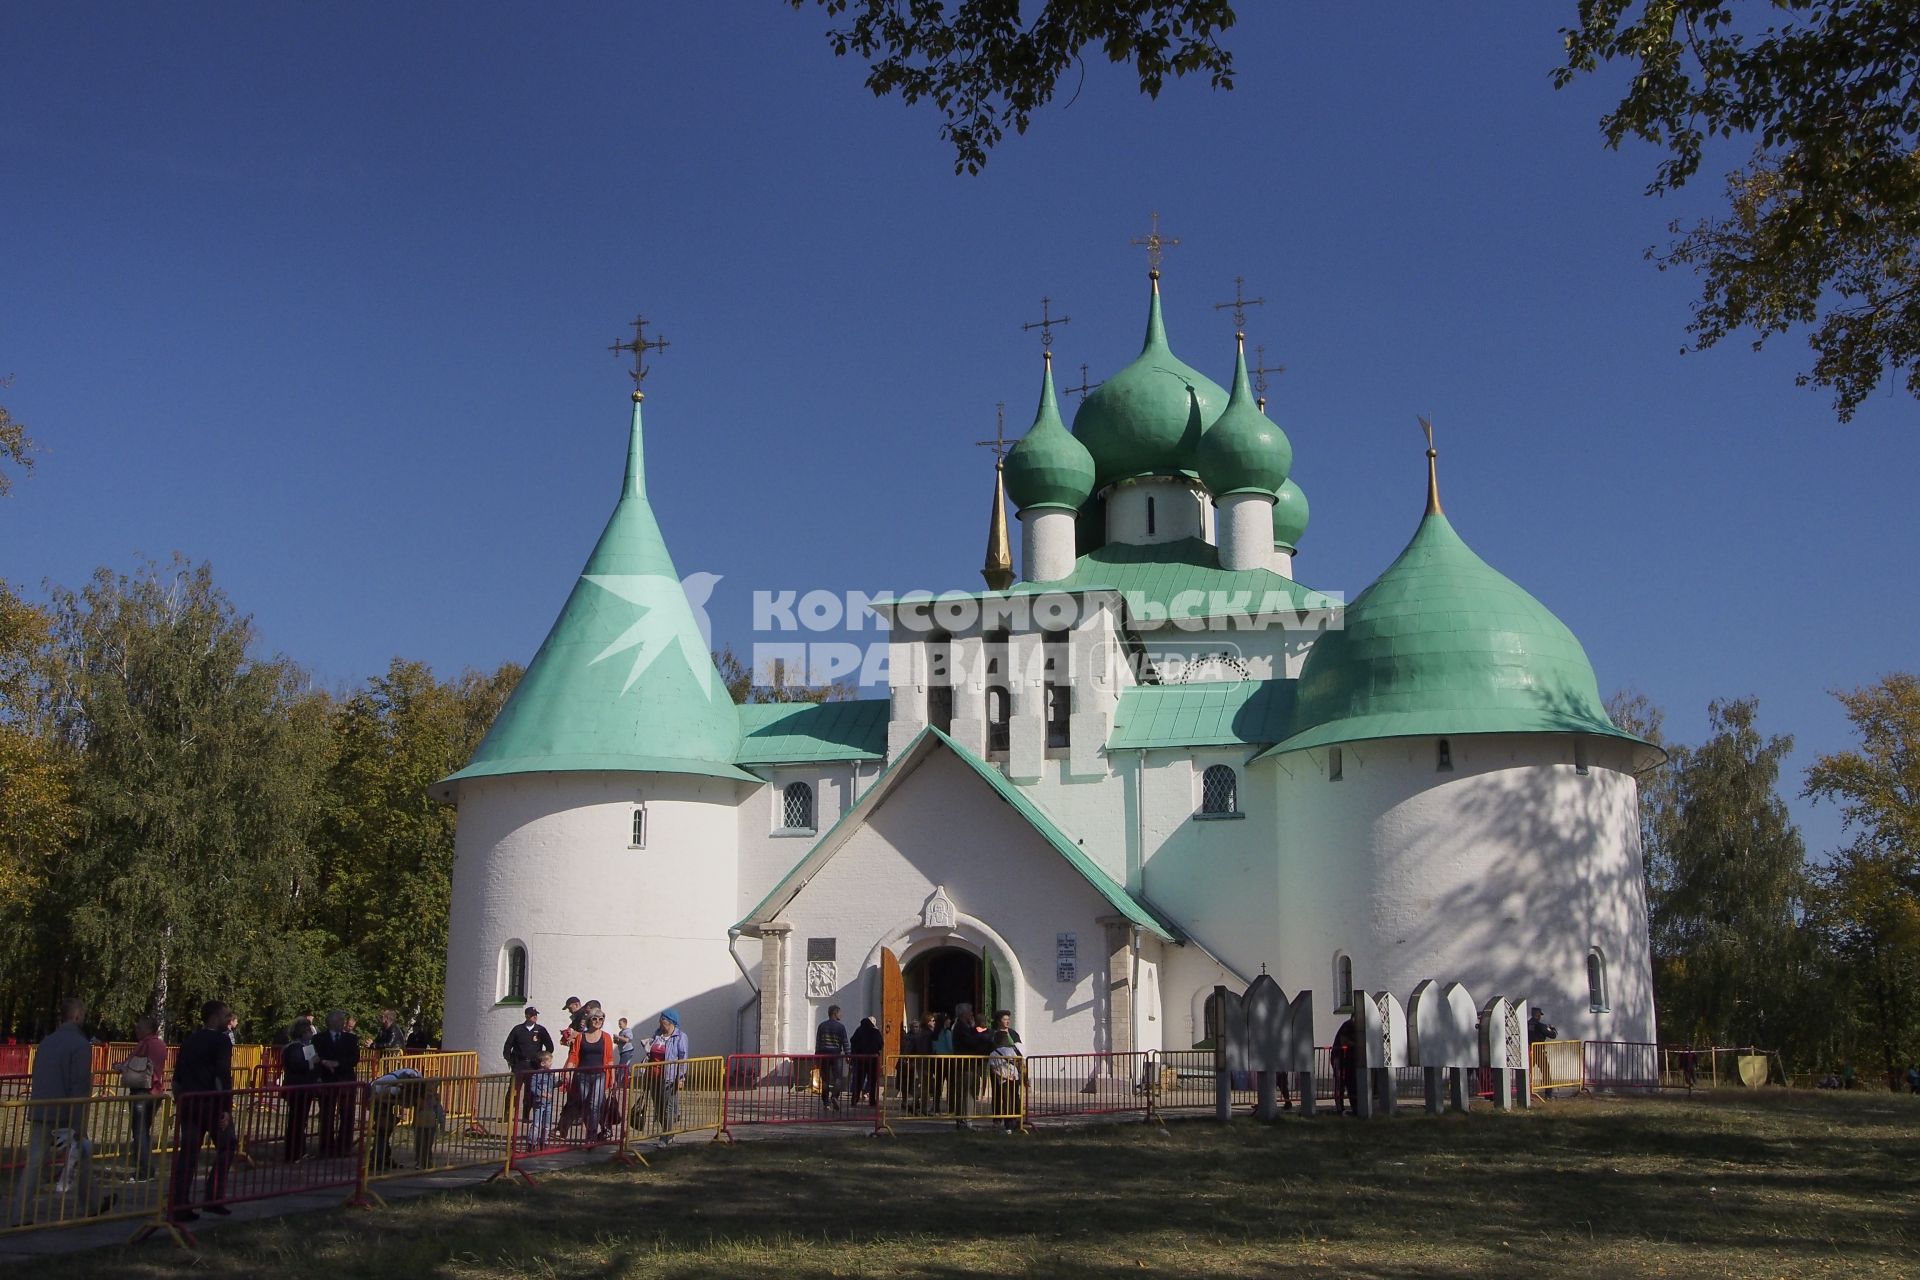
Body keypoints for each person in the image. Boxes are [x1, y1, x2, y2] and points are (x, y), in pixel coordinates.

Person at [9, 997, 110, 1226]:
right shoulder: (80, 1045)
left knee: (35, 1161)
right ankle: (91, 1204)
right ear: (76, 1016)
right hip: (66, 1111)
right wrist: (78, 1120)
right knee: (81, 1154)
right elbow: (79, 1084)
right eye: (82, 1015)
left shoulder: (47, 1041)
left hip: (40, 1108)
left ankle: (18, 1213)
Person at [169, 1000, 237, 1223]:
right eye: (225, 1016)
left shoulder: (190, 1039)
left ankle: (179, 1203)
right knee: (228, 1145)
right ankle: (213, 1197)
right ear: (214, 1018)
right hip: (212, 1104)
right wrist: (226, 1108)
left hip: (190, 1103)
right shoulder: (221, 1041)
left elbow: (178, 1075)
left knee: (188, 1154)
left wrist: (180, 1099)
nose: (228, 1020)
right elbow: (222, 1075)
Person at [117, 1014, 168, 1181]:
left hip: (142, 1092)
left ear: (147, 1029)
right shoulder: (161, 1044)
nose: (136, 1030)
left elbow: (131, 1065)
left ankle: (145, 1170)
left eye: (139, 1027)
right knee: (144, 1131)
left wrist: (120, 1067)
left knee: (139, 1133)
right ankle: (145, 1168)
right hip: (156, 1092)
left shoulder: (145, 1044)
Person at [563, 1010, 618, 1142]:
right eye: (595, 1019)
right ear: (589, 1020)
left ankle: (591, 1135)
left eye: (600, 1019)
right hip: (582, 1075)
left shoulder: (606, 1037)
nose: (598, 1021)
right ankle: (590, 1130)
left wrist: (613, 1077)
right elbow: (574, 1055)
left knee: (594, 1105)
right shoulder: (581, 1037)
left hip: (600, 1075)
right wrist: (567, 1071)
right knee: (585, 1104)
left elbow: (610, 1058)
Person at [313, 1009, 360, 1157]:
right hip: (327, 1080)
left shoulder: (351, 1039)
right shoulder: (319, 1039)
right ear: (332, 1022)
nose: (343, 1023)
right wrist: (324, 1064)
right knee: (327, 1114)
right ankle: (326, 1146)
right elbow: (314, 1057)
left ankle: (344, 1146)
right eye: (340, 1020)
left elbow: (354, 1058)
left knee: (347, 1114)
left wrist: (338, 1063)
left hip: (346, 1080)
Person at [502, 1006, 554, 1126]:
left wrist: (542, 1058)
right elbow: (507, 1046)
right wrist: (510, 1060)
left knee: (531, 1091)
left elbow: (550, 1046)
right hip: (520, 1064)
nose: (535, 1017)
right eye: (532, 1015)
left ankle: (526, 1115)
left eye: (536, 1014)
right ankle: (508, 1113)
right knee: (513, 1090)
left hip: (533, 1065)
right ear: (526, 1016)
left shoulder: (541, 1030)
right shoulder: (518, 1029)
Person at [280, 1017, 321, 1161]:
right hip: (297, 1088)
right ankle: (294, 1153)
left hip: (305, 1088)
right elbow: (297, 1066)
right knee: (296, 1121)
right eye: (309, 1031)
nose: (311, 1034)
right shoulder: (294, 1048)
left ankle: (300, 1151)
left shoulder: (305, 1047)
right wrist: (312, 1062)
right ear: (303, 1032)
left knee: (300, 1121)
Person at [647, 1009, 690, 1140]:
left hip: (670, 1077)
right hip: (654, 1076)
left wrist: (681, 1077)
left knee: (668, 1108)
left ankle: (665, 1137)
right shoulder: (657, 1034)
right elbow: (651, 1052)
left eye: (662, 1019)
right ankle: (669, 1133)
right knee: (658, 1108)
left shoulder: (680, 1037)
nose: (659, 1021)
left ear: (670, 1021)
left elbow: (683, 1058)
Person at [952, 1003, 992, 1130]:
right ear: (964, 1014)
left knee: (969, 1092)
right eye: (970, 1012)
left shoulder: (966, 1027)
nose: (972, 1014)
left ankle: (965, 1120)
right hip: (966, 1065)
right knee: (967, 1093)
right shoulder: (961, 1027)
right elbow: (971, 1042)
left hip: (971, 1065)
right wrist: (984, 1037)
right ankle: (965, 1121)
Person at [988, 1009, 1024, 1132]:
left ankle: (1016, 1119)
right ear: (999, 1021)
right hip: (998, 1068)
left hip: (1013, 1069)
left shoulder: (1013, 1033)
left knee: (1015, 1094)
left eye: (1008, 1019)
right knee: (999, 1094)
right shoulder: (994, 1034)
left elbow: (1019, 1047)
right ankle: (997, 1119)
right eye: (1005, 1019)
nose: (1007, 1022)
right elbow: (991, 1049)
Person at [815, 1006, 850, 1112]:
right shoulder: (840, 1027)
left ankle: (826, 1103)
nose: (841, 1015)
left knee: (825, 1079)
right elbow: (845, 1042)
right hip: (836, 1055)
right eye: (840, 1013)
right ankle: (834, 1096)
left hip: (823, 1055)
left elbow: (818, 1042)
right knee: (838, 1078)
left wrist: (816, 1056)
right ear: (835, 1013)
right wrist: (848, 1054)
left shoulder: (821, 1026)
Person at [901, 1014, 933, 1114]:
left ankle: (916, 1106)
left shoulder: (925, 1034)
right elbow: (910, 1048)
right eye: (932, 1020)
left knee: (923, 1087)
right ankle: (914, 1105)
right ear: (928, 1022)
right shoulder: (923, 1035)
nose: (934, 1022)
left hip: (925, 1063)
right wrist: (907, 1059)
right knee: (921, 1086)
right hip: (922, 1063)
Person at [849, 1016, 884, 1107]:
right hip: (873, 1059)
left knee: (858, 1080)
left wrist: (855, 1054)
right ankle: (872, 1100)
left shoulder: (859, 1031)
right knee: (872, 1081)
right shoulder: (875, 1031)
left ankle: (854, 1100)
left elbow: (853, 1041)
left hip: (860, 1059)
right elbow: (880, 1044)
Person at [525, 1052, 557, 1149]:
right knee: (536, 1124)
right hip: (539, 1102)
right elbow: (533, 1087)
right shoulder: (536, 1075)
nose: (551, 1063)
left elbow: (553, 1085)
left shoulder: (551, 1074)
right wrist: (542, 1094)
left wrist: (560, 1082)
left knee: (547, 1124)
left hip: (548, 1103)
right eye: (549, 1061)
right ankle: (531, 1143)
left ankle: (544, 1141)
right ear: (542, 1063)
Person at [1331, 1016, 1358, 1117]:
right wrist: (1357, 1045)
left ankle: (1355, 1108)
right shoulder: (1349, 1025)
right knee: (1340, 1082)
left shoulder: (1357, 1027)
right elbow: (1343, 1041)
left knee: (1351, 1083)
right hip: (1339, 1057)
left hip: (1349, 1059)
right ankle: (1340, 1108)